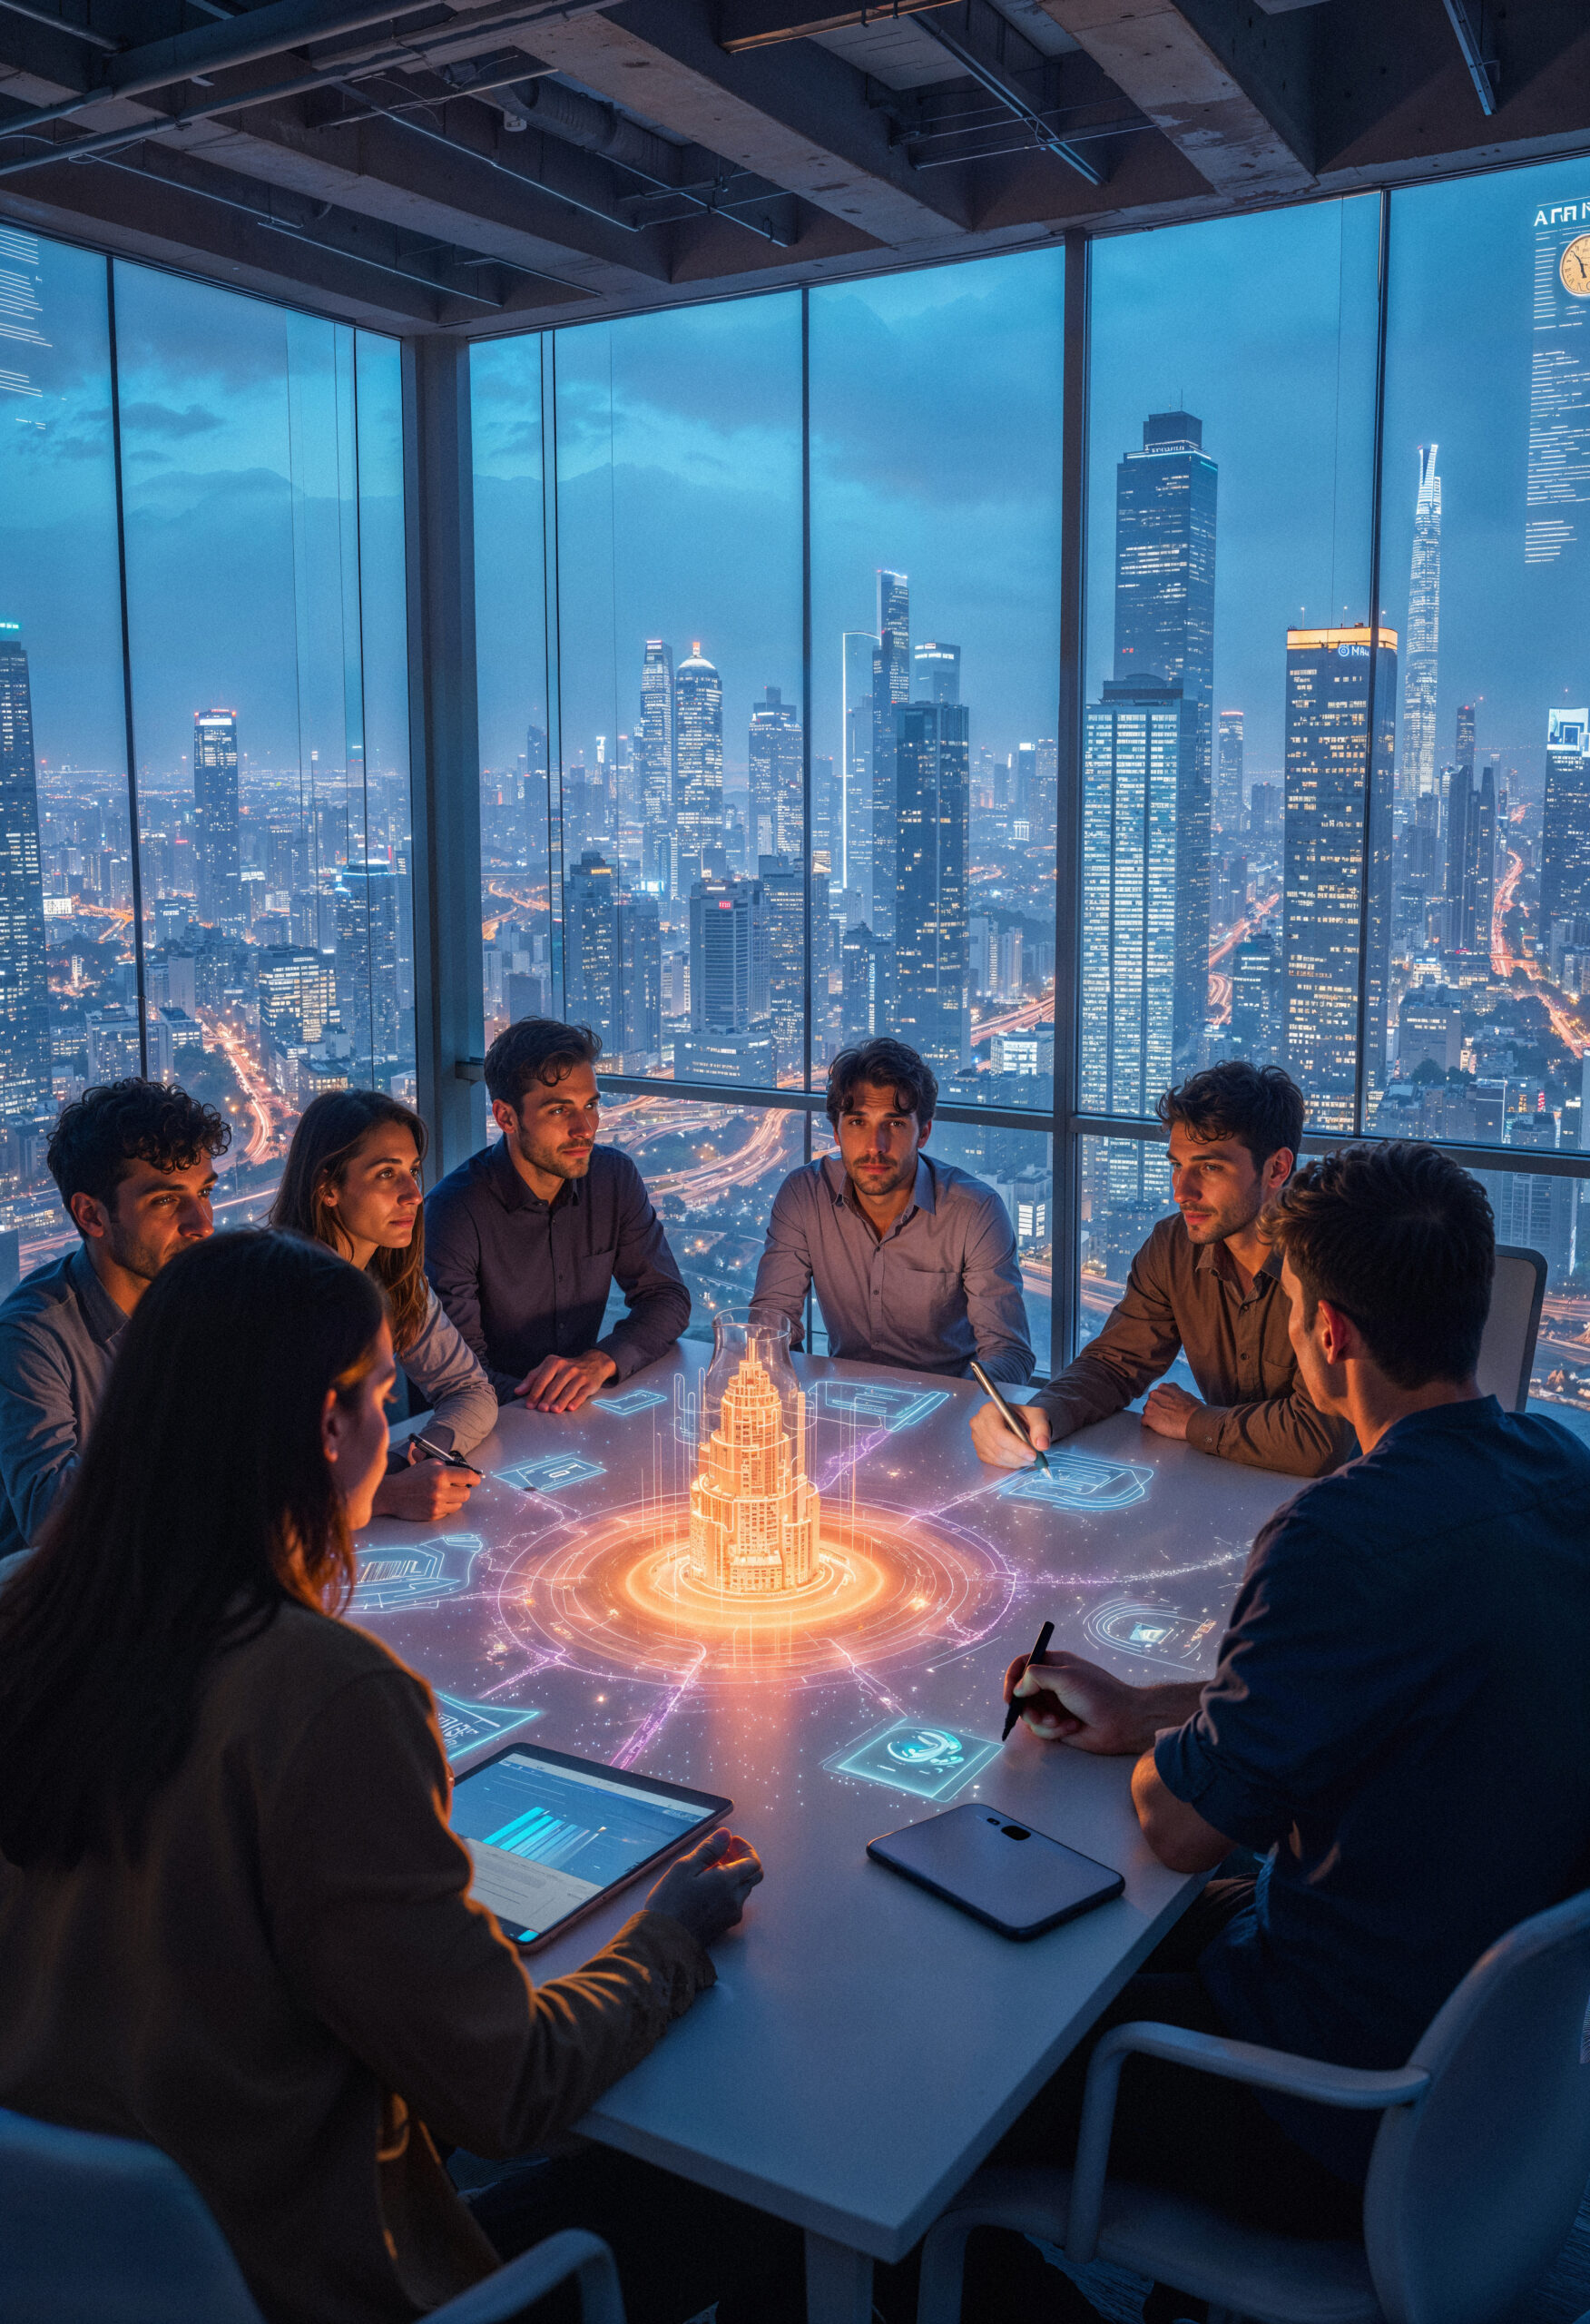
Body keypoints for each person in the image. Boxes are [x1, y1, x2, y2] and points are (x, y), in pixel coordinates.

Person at [0, 1230, 784, 2324]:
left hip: (64, 2261)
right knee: (755, 2199)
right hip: (305, 2272)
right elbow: (513, 2086)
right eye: (382, 1396)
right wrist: (671, 1936)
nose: (397, 1429)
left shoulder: (27, 1616)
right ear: (329, 1427)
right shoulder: (325, 1694)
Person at [953, 1143, 1590, 2318]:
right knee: (1105, 1944)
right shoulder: (1563, 1471)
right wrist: (1154, 1708)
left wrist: (1159, 1755)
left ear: (1330, 1334)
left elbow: (1184, 1827)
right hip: (1487, 2066)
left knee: (951, 2078)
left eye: (1296, 1310)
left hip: (1327, 2102)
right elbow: (1416, 1691)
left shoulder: (1340, 1536)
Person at [971, 1060, 1348, 1478]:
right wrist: (1039, 1414)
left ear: (1277, 1168)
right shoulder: (1173, 1246)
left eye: (1209, 1167)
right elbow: (1116, 1363)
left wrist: (1194, 1422)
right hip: (1225, 1485)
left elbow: (1317, 1439)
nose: (1181, 1192)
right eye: (1176, 1165)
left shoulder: (1329, 1261)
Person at [0, 1078, 229, 1565]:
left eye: (204, 1191)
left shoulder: (211, 1300)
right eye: (166, 1200)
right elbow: (50, 1517)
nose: (203, 1222)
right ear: (91, 1215)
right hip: (68, 1607)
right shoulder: (32, 1335)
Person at [426, 1019, 690, 1414]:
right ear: (506, 1118)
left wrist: (601, 1361)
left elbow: (667, 1297)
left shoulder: (613, 1178)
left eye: (591, 1105)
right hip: (486, 1422)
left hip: (577, 1413)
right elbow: (464, 1374)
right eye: (558, 1110)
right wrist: (556, 1403)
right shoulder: (454, 1211)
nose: (584, 1129)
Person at [751, 1038, 1034, 1384]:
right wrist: (788, 1392)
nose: (875, 1146)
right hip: (842, 1403)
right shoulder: (805, 1195)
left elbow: (1009, 1352)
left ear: (923, 1133)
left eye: (895, 1124)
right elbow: (771, 1320)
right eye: (857, 1123)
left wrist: (967, 1406)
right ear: (837, 1133)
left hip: (950, 1409)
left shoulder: (974, 1212)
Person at [271, 1091, 497, 1523]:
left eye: (412, 1171)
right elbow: (246, 1477)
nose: (413, 1194)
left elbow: (470, 1389)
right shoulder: (279, 1296)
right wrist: (384, 1495)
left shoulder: (394, 1279)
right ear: (327, 1187)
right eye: (386, 1174)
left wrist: (418, 1456)